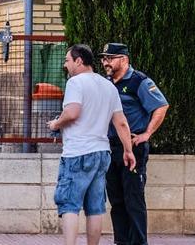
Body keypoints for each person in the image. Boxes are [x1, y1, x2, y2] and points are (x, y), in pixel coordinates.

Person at [47, 44, 136, 245]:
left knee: (69, 204)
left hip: (77, 152)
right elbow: (121, 122)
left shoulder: (75, 83)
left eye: (67, 60)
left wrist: (56, 123)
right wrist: (128, 151)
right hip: (101, 153)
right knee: (95, 207)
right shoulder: (108, 86)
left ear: (79, 61)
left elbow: (72, 113)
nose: (65, 65)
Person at [99, 43, 170, 245]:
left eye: (110, 58)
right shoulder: (107, 83)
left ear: (124, 59)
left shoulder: (139, 81)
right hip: (110, 146)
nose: (106, 62)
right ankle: (121, 242)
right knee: (117, 200)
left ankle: (138, 242)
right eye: (104, 59)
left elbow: (161, 106)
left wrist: (147, 133)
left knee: (134, 199)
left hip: (132, 146)